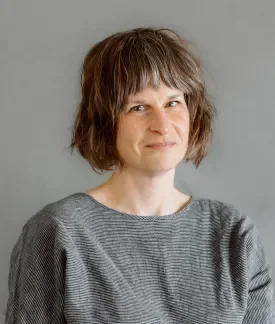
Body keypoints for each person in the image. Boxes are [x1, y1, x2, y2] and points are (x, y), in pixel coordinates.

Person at [5, 27, 275, 323]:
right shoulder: (58, 231)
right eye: (138, 107)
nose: (162, 124)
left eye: (173, 102)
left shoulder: (233, 234)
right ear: (105, 122)